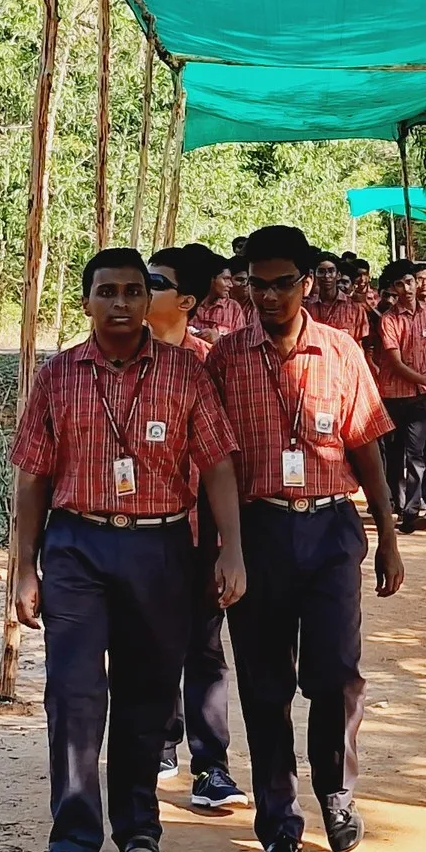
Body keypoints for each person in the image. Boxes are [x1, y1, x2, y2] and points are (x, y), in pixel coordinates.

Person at [7, 247, 247, 852]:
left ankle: (139, 832)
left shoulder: (184, 374)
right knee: (74, 694)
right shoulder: (58, 376)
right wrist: (24, 568)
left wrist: (230, 549)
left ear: (150, 300)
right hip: (77, 547)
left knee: (146, 696)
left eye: (133, 292)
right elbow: (32, 475)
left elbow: (219, 464)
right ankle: (72, 840)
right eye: (107, 292)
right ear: (86, 301)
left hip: (162, 548)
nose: (120, 304)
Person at [204, 224, 402, 852]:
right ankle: (278, 825)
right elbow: (215, 460)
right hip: (257, 532)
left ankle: (336, 790)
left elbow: (366, 446)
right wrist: (223, 549)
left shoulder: (342, 352)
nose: (268, 295)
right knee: (264, 687)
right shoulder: (227, 358)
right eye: (256, 283)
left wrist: (389, 537)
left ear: (306, 281)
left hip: (327, 530)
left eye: (281, 282)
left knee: (336, 674)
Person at [143, 244, 251, 812]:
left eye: (152, 281)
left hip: (198, 524)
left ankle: (212, 766)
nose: (137, 289)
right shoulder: (112, 358)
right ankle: (159, 742)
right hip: (137, 530)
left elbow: (224, 458)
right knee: (147, 641)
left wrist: (230, 543)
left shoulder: (210, 363)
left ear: (187, 300)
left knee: (204, 645)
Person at [368, 263, 426, 533]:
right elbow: (396, 364)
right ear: (392, 289)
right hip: (393, 396)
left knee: (416, 455)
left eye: (410, 282)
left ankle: (411, 512)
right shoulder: (389, 320)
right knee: (394, 456)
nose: (407, 289)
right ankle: (392, 505)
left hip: (420, 398)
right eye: (400, 285)